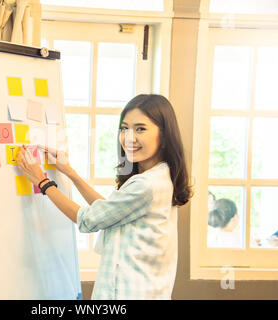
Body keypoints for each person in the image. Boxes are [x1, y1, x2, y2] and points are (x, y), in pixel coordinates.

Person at [17, 94, 193, 300]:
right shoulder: (161, 176)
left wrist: (43, 182)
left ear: (164, 135)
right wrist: (71, 173)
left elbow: (88, 219)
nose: (129, 137)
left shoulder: (145, 185)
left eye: (140, 129)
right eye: (124, 128)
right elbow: (110, 210)